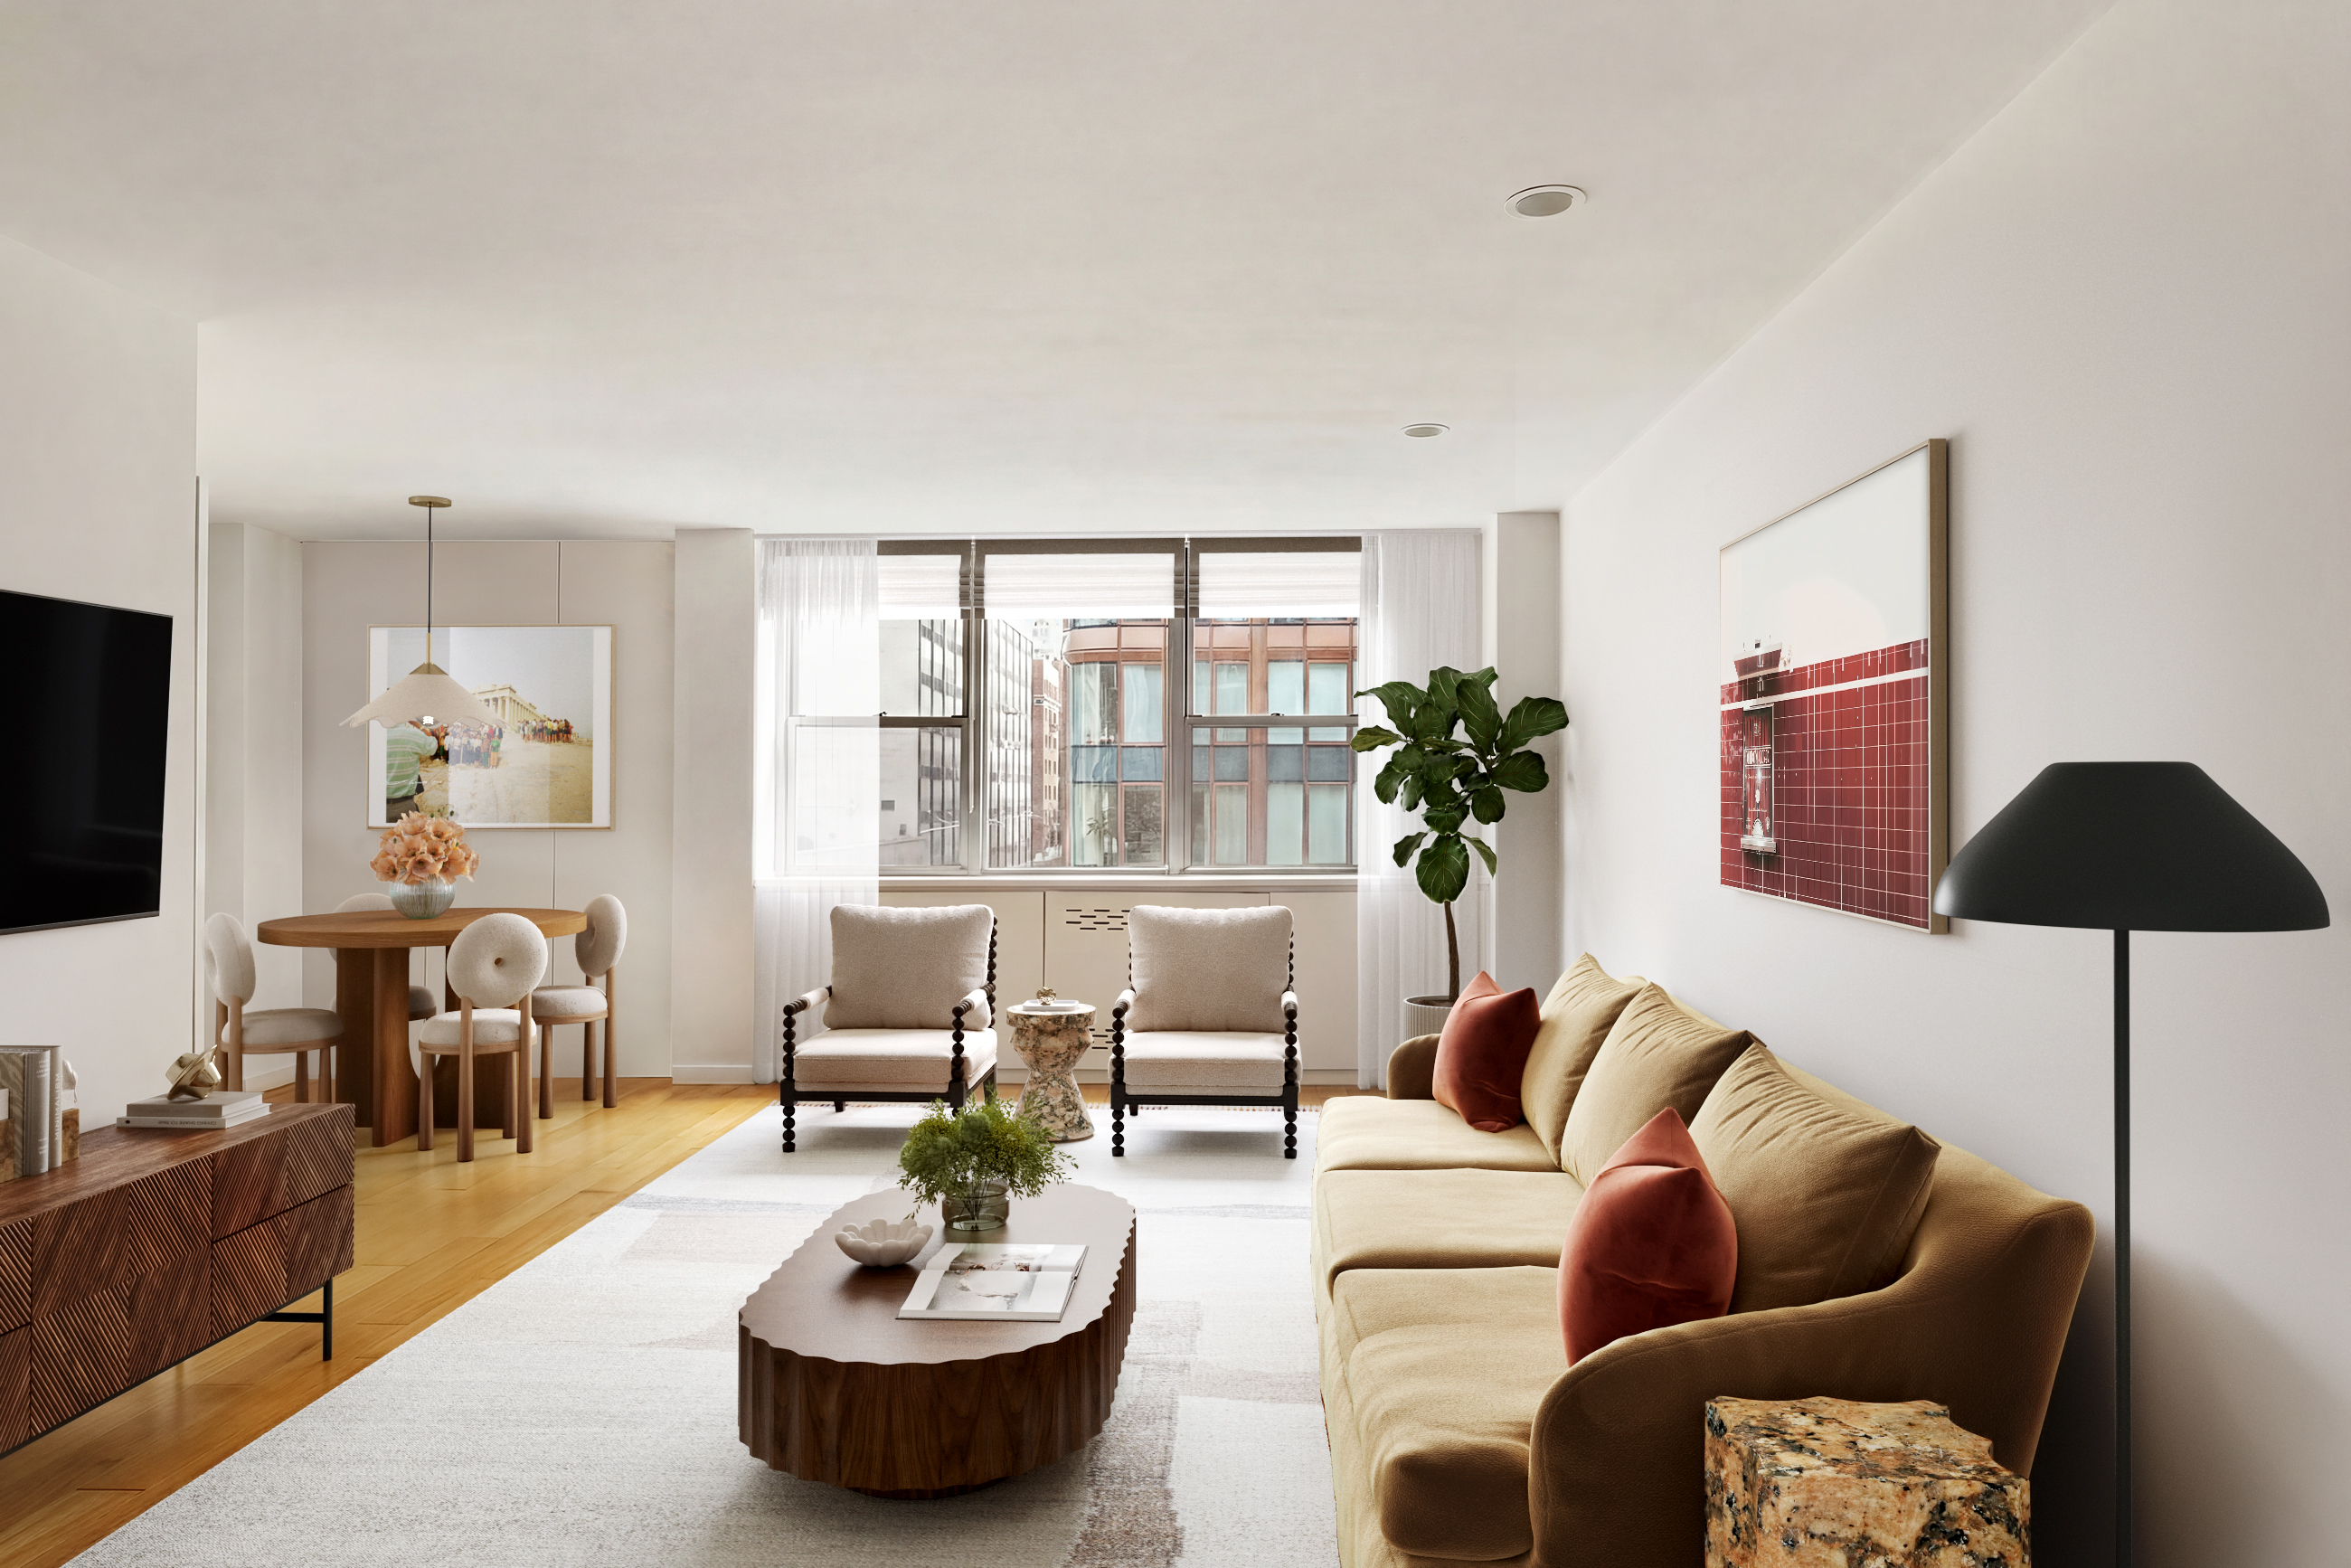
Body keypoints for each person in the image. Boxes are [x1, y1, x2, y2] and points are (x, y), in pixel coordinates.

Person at [382, 720, 436, 822]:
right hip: (405, 806)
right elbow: (433, 745)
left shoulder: (375, 736)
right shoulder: (412, 735)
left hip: (378, 807)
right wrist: (417, 724)